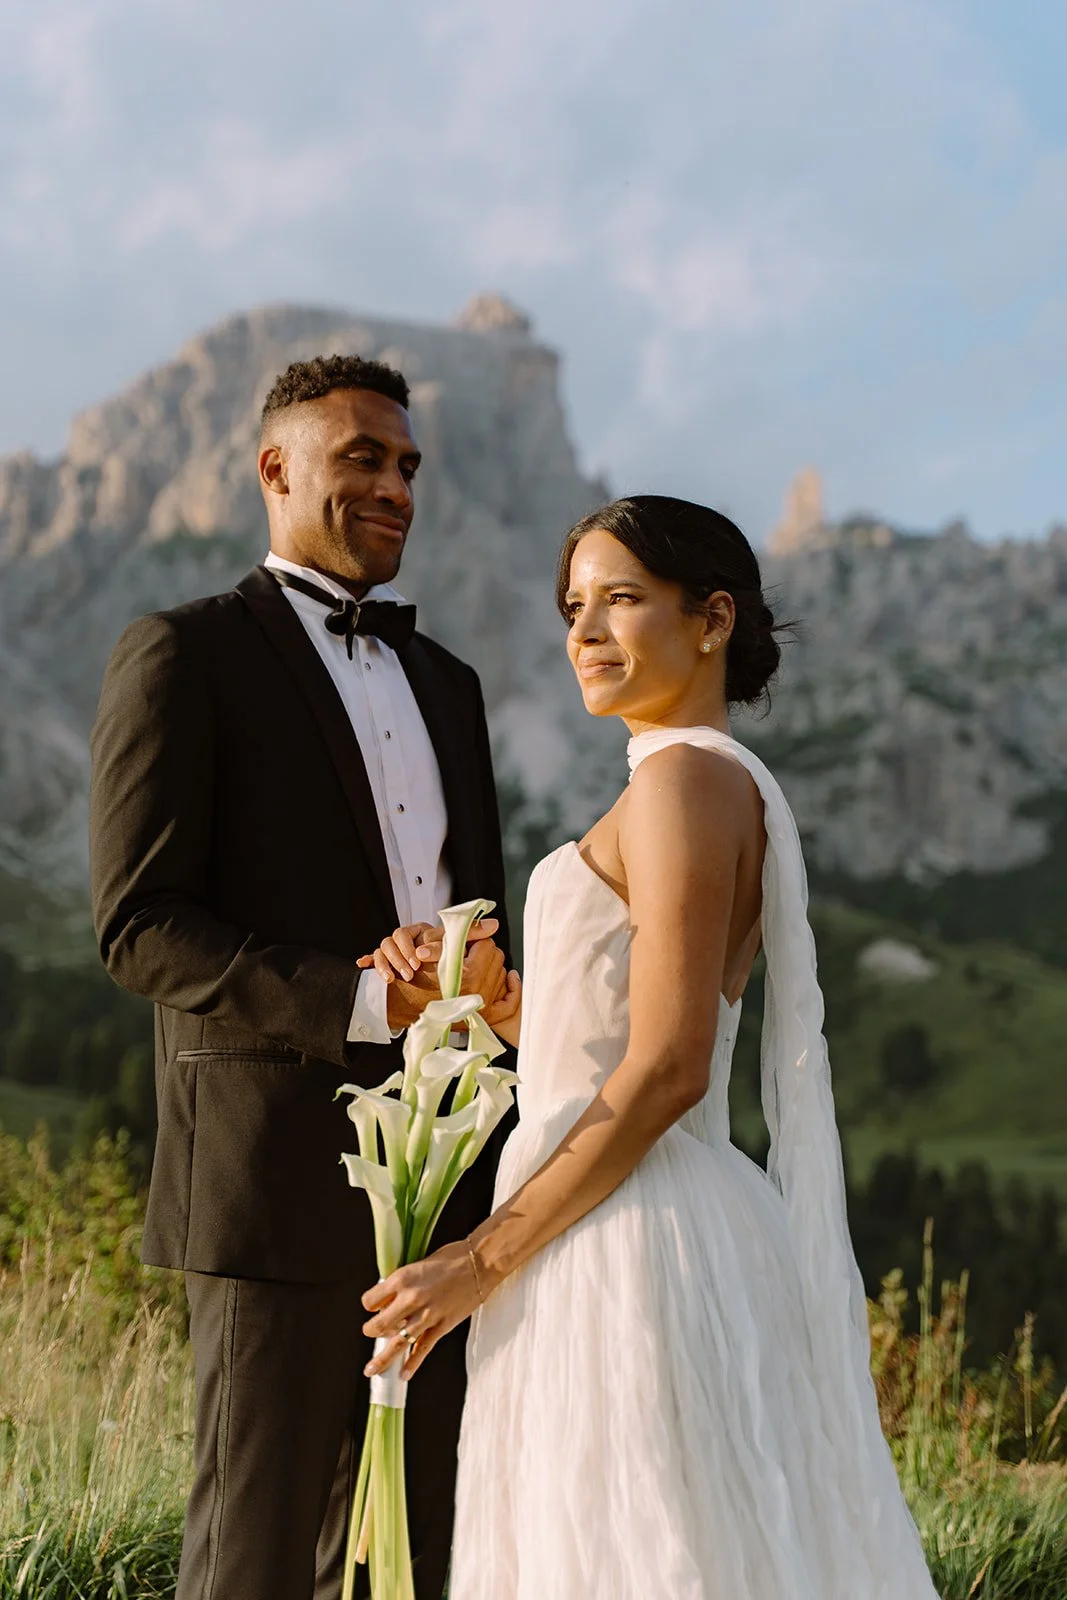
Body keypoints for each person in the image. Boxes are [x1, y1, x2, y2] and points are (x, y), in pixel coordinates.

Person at [360, 495, 940, 1597]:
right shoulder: (689, 783)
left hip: (622, 1240)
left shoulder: (680, 782)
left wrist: (477, 1261)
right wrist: (497, 1002)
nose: (582, 631)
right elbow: (603, 1050)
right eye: (572, 604)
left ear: (711, 618)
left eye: (619, 598)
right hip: (634, 1210)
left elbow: (671, 1064)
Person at [88, 354, 516, 1600]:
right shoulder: (183, 654)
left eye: (408, 465)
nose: (396, 486)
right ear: (275, 469)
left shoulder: (452, 687)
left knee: (420, 1553)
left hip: (451, 1184)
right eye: (363, 459)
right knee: (252, 1559)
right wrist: (361, 997)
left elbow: (467, 905)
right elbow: (139, 924)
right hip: (268, 1178)